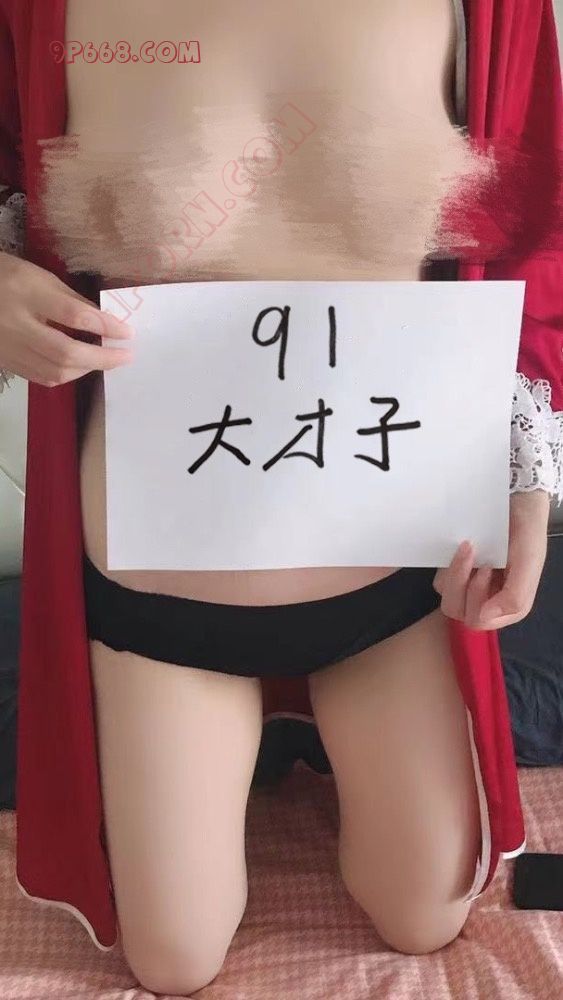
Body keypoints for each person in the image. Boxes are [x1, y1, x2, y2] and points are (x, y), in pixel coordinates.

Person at [0, 0, 561, 994]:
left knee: (424, 915)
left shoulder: (494, 10)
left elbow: (539, 233)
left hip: (396, 578)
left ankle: (290, 747)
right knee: (174, 958)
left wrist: (527, 481)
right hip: (157, 586)